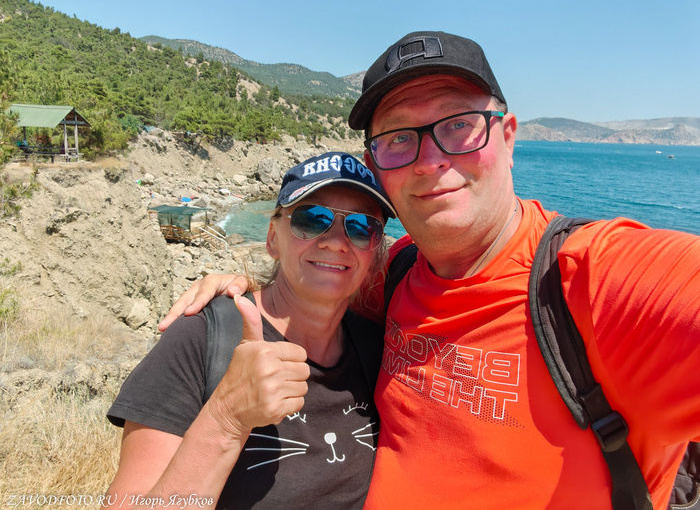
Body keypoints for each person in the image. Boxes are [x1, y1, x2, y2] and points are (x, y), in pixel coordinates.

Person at [158, 32, 700, 509]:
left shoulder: (597, 280)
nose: (429, 160)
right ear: (377, 168)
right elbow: (317, 281)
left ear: (508, 137)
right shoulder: (393, 273)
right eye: (398, 137)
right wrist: (244, 291)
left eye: (460, 125)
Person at [105, 152, 396, 509]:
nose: (336, 241)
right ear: (273, 238)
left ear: (375, 253)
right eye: (312, 219)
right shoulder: (201, 339)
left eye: (362, 227)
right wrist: (227, 418)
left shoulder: (378, 349)